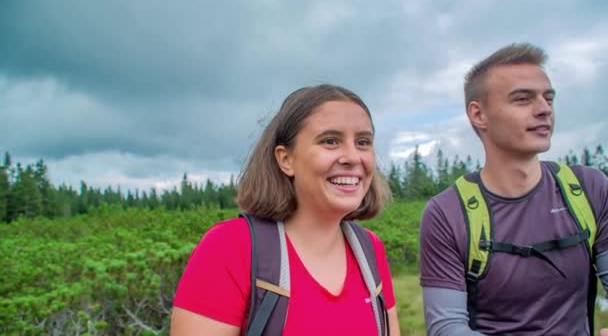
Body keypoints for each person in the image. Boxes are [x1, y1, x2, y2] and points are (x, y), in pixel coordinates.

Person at [170, 84, 400, 335]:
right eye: (330, 141)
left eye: (363, 142)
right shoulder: (230, 248)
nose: (353, 157)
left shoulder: (369, 250)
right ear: (285, 159)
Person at [419, 42, 608, 335]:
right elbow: (446, 327)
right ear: (478, 115)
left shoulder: (588, 189)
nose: (544, 109)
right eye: (523, 99)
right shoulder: (447, 213)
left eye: (549, 98)